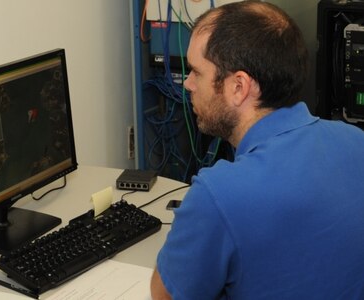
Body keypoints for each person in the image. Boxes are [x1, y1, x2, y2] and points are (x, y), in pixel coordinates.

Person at [150, 1, 364, 299]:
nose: (187, 84)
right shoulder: (356, 142)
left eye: (196, 73)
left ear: (239, 87)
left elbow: (163, 295)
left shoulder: (219, 193)